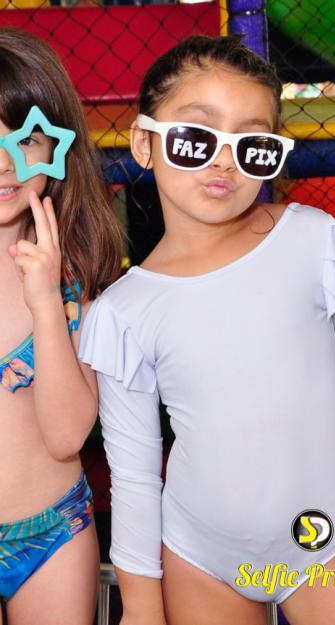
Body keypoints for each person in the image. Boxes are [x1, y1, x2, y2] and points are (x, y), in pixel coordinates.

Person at [79, 35, 335, 625]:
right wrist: (141, 609)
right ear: (144, 143)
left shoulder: (311, 238)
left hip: (320, 548)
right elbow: (133, 474)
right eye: (195, 137)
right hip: (201, 561)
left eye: (252, 145)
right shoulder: (125, 310)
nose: (223, 161)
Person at [0, 28, 124, 625]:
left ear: (55, 145)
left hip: (54, 532)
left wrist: (47, 303)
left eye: (22, 139)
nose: (4, 163)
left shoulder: (76, 279)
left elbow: (66, 436)